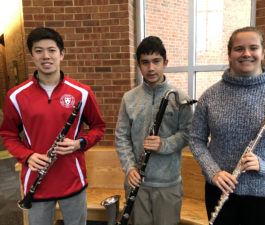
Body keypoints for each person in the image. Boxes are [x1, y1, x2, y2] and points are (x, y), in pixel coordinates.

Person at [189, 26, 265, 225]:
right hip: (219, 190)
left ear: (263, 52)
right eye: (239, 49)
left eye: (253, 48)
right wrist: (213, 171)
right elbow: (196, 140)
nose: (246, 54)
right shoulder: (210, 96)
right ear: (230, 54)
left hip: (264, 196)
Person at [0, 27, 106, 225]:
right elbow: (8, 134)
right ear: (31, 55)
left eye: (52, 50)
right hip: (36, 182)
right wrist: (27, 156)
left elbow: (98, 127)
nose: (46, 56)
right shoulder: (15, 96)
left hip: (73, 180)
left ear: (62, 54)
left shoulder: (81, 92)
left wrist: (79, 143)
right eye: (39, 50)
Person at [115, 36, 193, 225]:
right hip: (137, 183)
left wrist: (164, 144)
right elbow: (121, 137)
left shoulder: (180, 97)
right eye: (145, 62)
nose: (151, 68)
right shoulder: (129, 98)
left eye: (156, 61)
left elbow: (188, 134)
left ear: (165, 63)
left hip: (168, 185)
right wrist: (130, 168)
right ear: (139, 65)